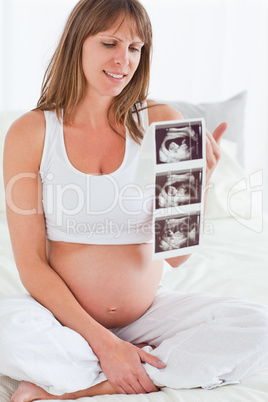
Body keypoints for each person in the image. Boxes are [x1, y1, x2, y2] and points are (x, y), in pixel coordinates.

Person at [0, 0, 267, 401]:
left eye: (135, 48)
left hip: (149, 316)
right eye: (110, 43)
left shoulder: (162, 121)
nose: (124, 60)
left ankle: (82, 387)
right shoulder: (32, 131)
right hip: (63, 318)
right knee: (6, 327)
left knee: (257, 326)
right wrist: (105, 344)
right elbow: (32, 264)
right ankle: (133, 366)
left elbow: (176, 258)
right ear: (77, 44)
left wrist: (201, 182)